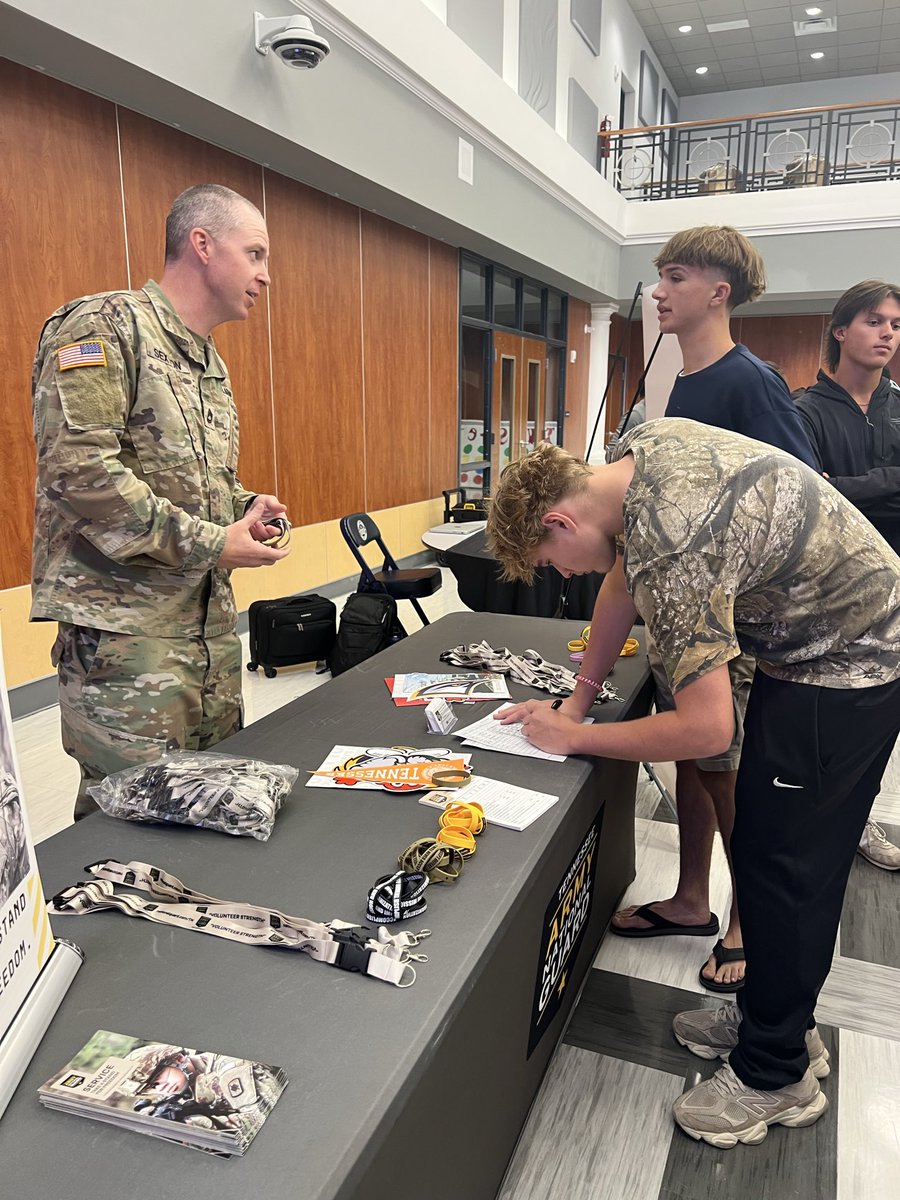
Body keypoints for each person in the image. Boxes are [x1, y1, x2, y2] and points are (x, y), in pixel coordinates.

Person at [488, 423, 900, 1147]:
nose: (566, 575)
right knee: (770, 846)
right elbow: (620, 578)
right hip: (811, 651)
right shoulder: (638, 461)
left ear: (560, 520)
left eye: (553, 560)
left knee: (787, 866)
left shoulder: (674, 542)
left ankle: (776, 1074)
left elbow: (706, 729)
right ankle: (776, 1019)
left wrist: (575, 736)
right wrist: (575, 702)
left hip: (849, 663)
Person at [31, 183, 290, 819]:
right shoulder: (101, 327)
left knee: (212, 818)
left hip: (206, 636)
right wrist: (212, 542)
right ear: (202, 244)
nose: (265, 276)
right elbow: (81, 473)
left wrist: (244, 507)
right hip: (129, 645)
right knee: (125, 833)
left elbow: (197, 483)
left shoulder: (208, 362)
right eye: (255, 254)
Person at [610, 226, 818, 996]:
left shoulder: (750, 381)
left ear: (718, 292)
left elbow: (800, 493)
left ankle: (746, 920)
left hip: (735, 621)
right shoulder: (681, 381)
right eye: (661, 276)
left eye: (676, 276)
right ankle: (692, 898)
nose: (659, 290)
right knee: (691, 760)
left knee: (727, 769)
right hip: (683, 615)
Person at [794, 279, 900, 870]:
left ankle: (858, 821)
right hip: (828, 594)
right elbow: (812, 503)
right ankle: (814, 821)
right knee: (822, 720)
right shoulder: (804, 411)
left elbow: (841, 494)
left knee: (883, 718)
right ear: (840, 330)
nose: (887, 333)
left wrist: (852, 489)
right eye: (873, 321)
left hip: (897, 592)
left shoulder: (899, 407)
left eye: (895, 324)